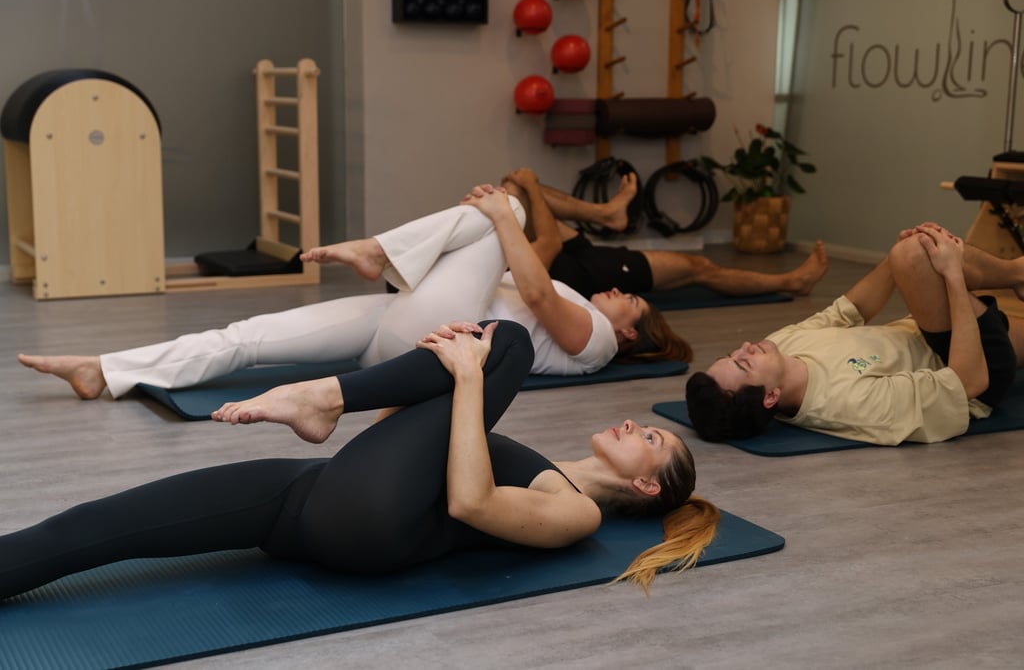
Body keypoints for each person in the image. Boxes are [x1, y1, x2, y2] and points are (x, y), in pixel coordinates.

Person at [0, 320, 719, 600]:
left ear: (644, 484)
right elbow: (389, 436)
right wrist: (445, 373)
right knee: (101, 525)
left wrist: (470, 379)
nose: (637, 424)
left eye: (653, 440)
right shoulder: (536, 458)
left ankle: (320, 396)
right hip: (315, 492)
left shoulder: (578, 511)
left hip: (373, 530)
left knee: (509, 346)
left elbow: (469, 502)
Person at [17, 185, 690, 401]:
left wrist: (497, 216)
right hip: (402, 321)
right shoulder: (580, 297)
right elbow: (517, 275)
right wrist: (477, 228)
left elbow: (538, 299)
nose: (619, 292)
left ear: (632, 330)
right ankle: (105, 370)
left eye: (631, 300)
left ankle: (376, 250)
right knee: (249, 337)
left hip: (437, 342)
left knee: (508, 206)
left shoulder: (598, 342)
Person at [685, 222, 1024, 445]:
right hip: (972, 365)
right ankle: (1017, 273)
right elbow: (968, 382)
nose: (745, 347)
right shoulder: (847, 403)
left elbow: (851, 309)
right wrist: (952, 277)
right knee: (918, 255)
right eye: (743, 364)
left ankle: (1018, 274)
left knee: (911, 250)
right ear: (770, 397)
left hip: (926, 330)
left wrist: (893, 260)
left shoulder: (779, 348)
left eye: (732, 354)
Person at [500, 167, 829, 300]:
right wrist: (532, 183)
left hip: (577, 258)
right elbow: (550, 243)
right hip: (586, 274)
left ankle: (608, 213)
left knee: (514, 187)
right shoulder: (506, 269)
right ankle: (790, 282)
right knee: (699, 268)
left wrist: (525, 186)